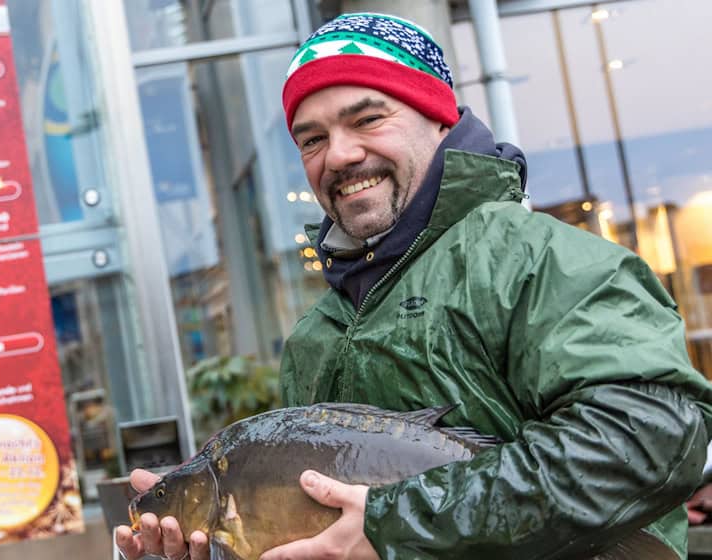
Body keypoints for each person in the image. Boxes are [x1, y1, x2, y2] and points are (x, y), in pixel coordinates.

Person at [116, 12, 712, 560]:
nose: (340, 155)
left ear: (438, 116)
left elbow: (649, 438)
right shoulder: (316, 336)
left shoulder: (541, 260)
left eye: (368, 118)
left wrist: (392, 524)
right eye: (312, 138)